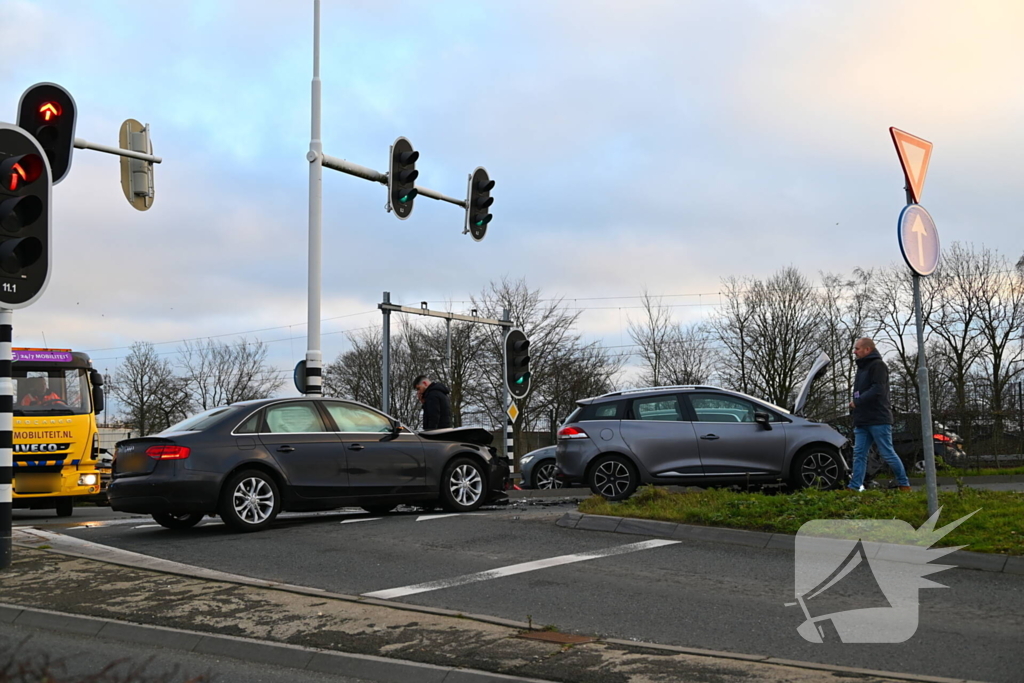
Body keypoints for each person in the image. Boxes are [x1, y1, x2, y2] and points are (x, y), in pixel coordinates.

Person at [847, 337, 911, 492]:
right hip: (862, 419)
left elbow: (878, 389)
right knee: (859, 454)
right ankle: (854, 487)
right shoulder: (861, 369)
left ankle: (904, 484)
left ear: (867, 349)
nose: (854, 352)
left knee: (887, 452)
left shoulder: (878, 366)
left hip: (878, 419)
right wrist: (855, 404)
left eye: (857, 349)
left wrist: (858, 401)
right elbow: (861, 391)